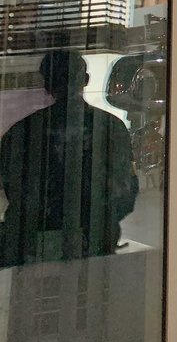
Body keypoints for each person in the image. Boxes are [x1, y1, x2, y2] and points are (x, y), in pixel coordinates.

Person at [0, 49, 138, 267]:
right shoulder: (112, 127)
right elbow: (125, 190)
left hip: (31, 244)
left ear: (47, 84)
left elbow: (14, 188)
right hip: (95, 240)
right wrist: (97, 221)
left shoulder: (22, 131)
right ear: (85, 80)